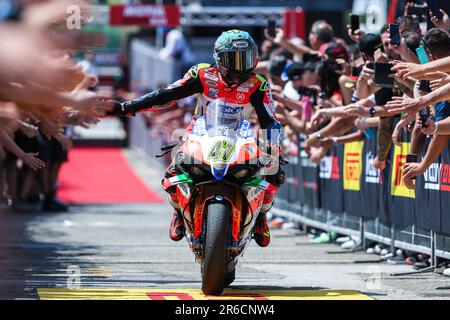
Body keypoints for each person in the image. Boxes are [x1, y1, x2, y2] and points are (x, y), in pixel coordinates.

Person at [113, 30, 284, 247]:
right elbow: (166, 95)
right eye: (235, 59)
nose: (241, 66)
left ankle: (260, 217)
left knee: (273, 171)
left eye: (246, 58)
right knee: (173, 172)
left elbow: (270, 119)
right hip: (201, 132)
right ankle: (178, 212)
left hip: (241, 137)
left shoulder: (258, 84)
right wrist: (129, 107)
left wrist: (273, 144)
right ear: (219, 58)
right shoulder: (202, 74)